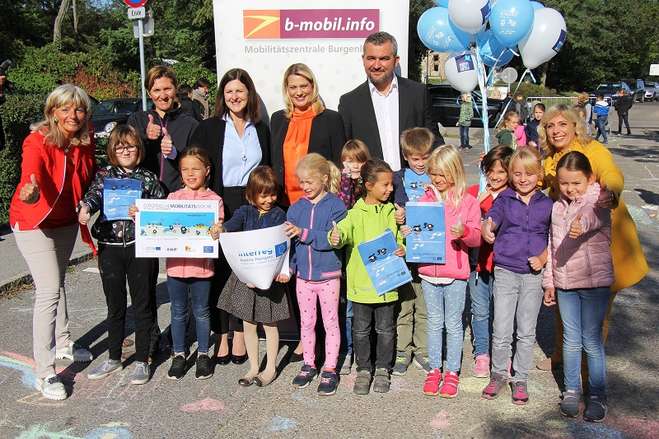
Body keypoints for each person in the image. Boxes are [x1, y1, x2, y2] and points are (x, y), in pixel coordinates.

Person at [537, 105, 648, 370]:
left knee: (596, 317)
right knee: (565, 304)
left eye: (563, 124)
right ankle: (561, 355)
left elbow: (611, 173)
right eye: (550, 125)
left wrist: (610, 191)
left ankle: (588, 369)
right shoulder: (550, 159)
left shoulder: (593, 150)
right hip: (569, 246)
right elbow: (537, 178)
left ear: (576, 126)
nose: (556, 130)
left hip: (605, 245)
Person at [9, 84, 96, 400]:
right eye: (65, 109)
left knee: (57, 282)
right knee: (47, 290)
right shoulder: (38, 141)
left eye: (79, 109)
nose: (73, 115)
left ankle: (64, 343)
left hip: (65, 222)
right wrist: (29, 189)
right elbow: (30, 173)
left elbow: (91, 178)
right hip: (34, 221)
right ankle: (44, 372)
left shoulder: (84, 142)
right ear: (52, 112)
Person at [190, 68, 271, 366]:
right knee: (219, 272)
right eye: (229, 92)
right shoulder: (209, 127)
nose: (235, 96)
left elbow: (268, 168)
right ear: (222, 97)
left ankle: (238, 332)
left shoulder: (260, 128)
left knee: (243, 272)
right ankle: (220, 333)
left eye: (240, 91)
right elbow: (194, 164)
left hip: (251, 205)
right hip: (221, 202)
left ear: (249, 94)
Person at [80, 124, 166, 385]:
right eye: (120, 146)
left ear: (138, 149)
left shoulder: (148, 177)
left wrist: (145, 210)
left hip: (141, 247)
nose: (125, 150)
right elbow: (94, 195)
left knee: (143, 304)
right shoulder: (105, 175)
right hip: (110, 247)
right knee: (115, 306)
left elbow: (163, 204)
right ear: (112, 151)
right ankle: (114, 357)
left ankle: (142, 359)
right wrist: (85, 207)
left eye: (130, 145)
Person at [401, 145, 480, 398]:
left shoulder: (467, 202)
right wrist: (408, 232)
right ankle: (435, 369)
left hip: (455, 273)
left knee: (453, 324)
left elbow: (477, 237)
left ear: (455, 172)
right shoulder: (424, 200)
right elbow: (417, 228)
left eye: (441, 174)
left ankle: (453, 372)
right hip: (428, 271)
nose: (436, 179)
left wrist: (464, 233)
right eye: (433, 174)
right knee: (434, 323)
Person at [542, 151, 612, 422]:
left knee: (591, 341)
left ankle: (597, 394)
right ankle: (571, 391)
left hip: (594, 284)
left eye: (576, 183)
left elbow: (592, 217)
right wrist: (550, 282)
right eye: (564, 183)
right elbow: (552, 245)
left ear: (590, 179)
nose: (570, 189)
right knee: (571, 340)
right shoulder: (557, 207)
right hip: (565, 284)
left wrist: (581, 225)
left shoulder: (599, 201)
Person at [480, 147, 553, 405]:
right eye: (518, 174)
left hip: (533, 275)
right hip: (506, 271)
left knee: (526, 330)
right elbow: (492, 218)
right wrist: (487, 227)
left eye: (529, 174)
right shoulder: (505, 199)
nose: (523, 179)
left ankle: (520, 377)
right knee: (501, 327)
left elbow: (555, 239)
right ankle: (499, 373)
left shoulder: (547, 204)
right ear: (511, 175)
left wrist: (543, 258)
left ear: (539, 175)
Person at [329, 159, 405, 395]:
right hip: (361, 287)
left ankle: (382, 368)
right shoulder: (353, 214)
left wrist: (403, 247)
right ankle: (364, 369)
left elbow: (399, 239)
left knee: (386, 329)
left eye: (391, 184)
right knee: (360, 331)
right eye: (386, 185)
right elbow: (342, 233)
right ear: (369, 185)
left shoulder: (393, 212)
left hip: (387, 285)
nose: (390, 189)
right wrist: (335, 237)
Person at [218, 166, 290, 387]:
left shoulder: (280, 214)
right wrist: (219, 229)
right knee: (248, 323)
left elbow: (286, 246)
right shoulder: (244, 212)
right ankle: (253, 366)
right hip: (245, 277)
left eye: (273, 194)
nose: (270, 199)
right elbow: (229, 228)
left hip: (271, 280)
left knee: (269, 324)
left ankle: (270, 368)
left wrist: (285, 271)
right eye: (264, 194)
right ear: (251, 193)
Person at [284, 153, 347, 396]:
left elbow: (334, 240)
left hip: (329, 276)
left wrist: (304, 233)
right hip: (303, 277)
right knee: (307, 323)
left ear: (324, 177)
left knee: (330, 323)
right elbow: (288, 245)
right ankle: (309, 363)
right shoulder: (296, 208)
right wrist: (288, 268)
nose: (305, 186)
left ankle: (330, 367)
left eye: (309, 181)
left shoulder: (336, 206)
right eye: (302, 181)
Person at [338, 31, 442, 170]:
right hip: (370, 188)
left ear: (396, 60)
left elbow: (434, 140)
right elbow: (345, 152)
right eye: (371, 58)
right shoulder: (349, 102)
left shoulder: (417, 94)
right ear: (363, 59)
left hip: (413, 186)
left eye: (384, 58)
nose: (376, 65)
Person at [165, 147, 224, 381]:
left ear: (206, 171)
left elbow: (218, 228)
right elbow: (157, 224)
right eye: (185, 169)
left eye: (196, 169)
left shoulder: (214, 201)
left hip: (202, 268)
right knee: (178, 312)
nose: (190, 174)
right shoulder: (172, 198)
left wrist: (219, 229)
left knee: (201, 312)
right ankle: (179, 354)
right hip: (175, 267)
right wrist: (137, 214)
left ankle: (202, 354)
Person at [465, 145, 514, 378]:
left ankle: (504, 353)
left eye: (501, 172)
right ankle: (482, 353)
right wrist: (477, 201)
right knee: (480, 310)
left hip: (506, 265)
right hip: (478, 265)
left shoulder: (514, 195)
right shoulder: (475, 193)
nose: (495, 176)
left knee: (504, 313)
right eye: (490, 170)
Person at [271, 63, 346, 206]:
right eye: (293, 87)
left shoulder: (331, 119)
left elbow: (339, 164)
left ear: (313, 87)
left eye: (304, 86)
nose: (299, 92)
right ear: (286, 90)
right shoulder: (277, 119)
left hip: (319, 203)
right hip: (283, 204)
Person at [391, 127, 434, 377]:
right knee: (405, 305)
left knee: (425, 305)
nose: (420, 163)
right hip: (404, 251)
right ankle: (402, 350)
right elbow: (386, 205)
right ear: (406, 156)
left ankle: (422, 350)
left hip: (428, 252)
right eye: (415, 158)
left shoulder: (437, 176)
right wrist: (396, 214)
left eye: (425, 157)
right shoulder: (398, 178)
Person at [128, 65, 199, 193]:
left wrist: (174, 154)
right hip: (144, 196)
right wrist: (145, 138)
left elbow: (197, 164)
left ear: (175, 89)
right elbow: (126, 156)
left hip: (178, 196)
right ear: (149, 93)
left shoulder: (190, 124)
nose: (163, 95)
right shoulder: (137, 120)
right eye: (156, 90)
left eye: (167, 89)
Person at [336, 139, 371, 375]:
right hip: (347, 251)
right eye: (348, 160)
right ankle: (348, 350)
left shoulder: (371, 182)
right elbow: (343, 207)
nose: (353, 165)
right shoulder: (341, 184)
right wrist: (347, 180)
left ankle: (366, 351)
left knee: (366, 306)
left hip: (367, 249)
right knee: (348, 307)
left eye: (358, 160)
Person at [338, 139, 371, 210]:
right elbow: (344, 206)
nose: (355, 166)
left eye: (360, 161)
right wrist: (346, 180)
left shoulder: (369, 179)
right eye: (350, 162)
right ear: (343, 162)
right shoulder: (338, 181)